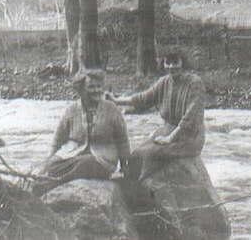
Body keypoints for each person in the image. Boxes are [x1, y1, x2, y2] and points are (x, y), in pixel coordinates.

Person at [107, 46, 230, 240]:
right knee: (137, 153)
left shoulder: (194, 83)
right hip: (167, 130)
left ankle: (141, 194)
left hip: (189, 136)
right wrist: (116, 100)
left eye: (175, 62)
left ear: (183, 62)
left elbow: (191, 118)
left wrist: (169, 138)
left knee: (151, 154)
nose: (171, 66)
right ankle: (128, 185)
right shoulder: (164, 82)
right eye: (167, 62)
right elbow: (143, 98)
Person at [32, 68, 130, 196]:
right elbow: (58, 138)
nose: (96, 90)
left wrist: (125, 166)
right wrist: (47, 163)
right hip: (73, 154)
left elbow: (123, 140)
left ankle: (55, 183)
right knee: (53, 165)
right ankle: (46, 180)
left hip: (102, 159)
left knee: (85, 164)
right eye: (91, 87)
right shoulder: (71, 110)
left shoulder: (112, 109)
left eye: (99, 87)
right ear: (81, 90)